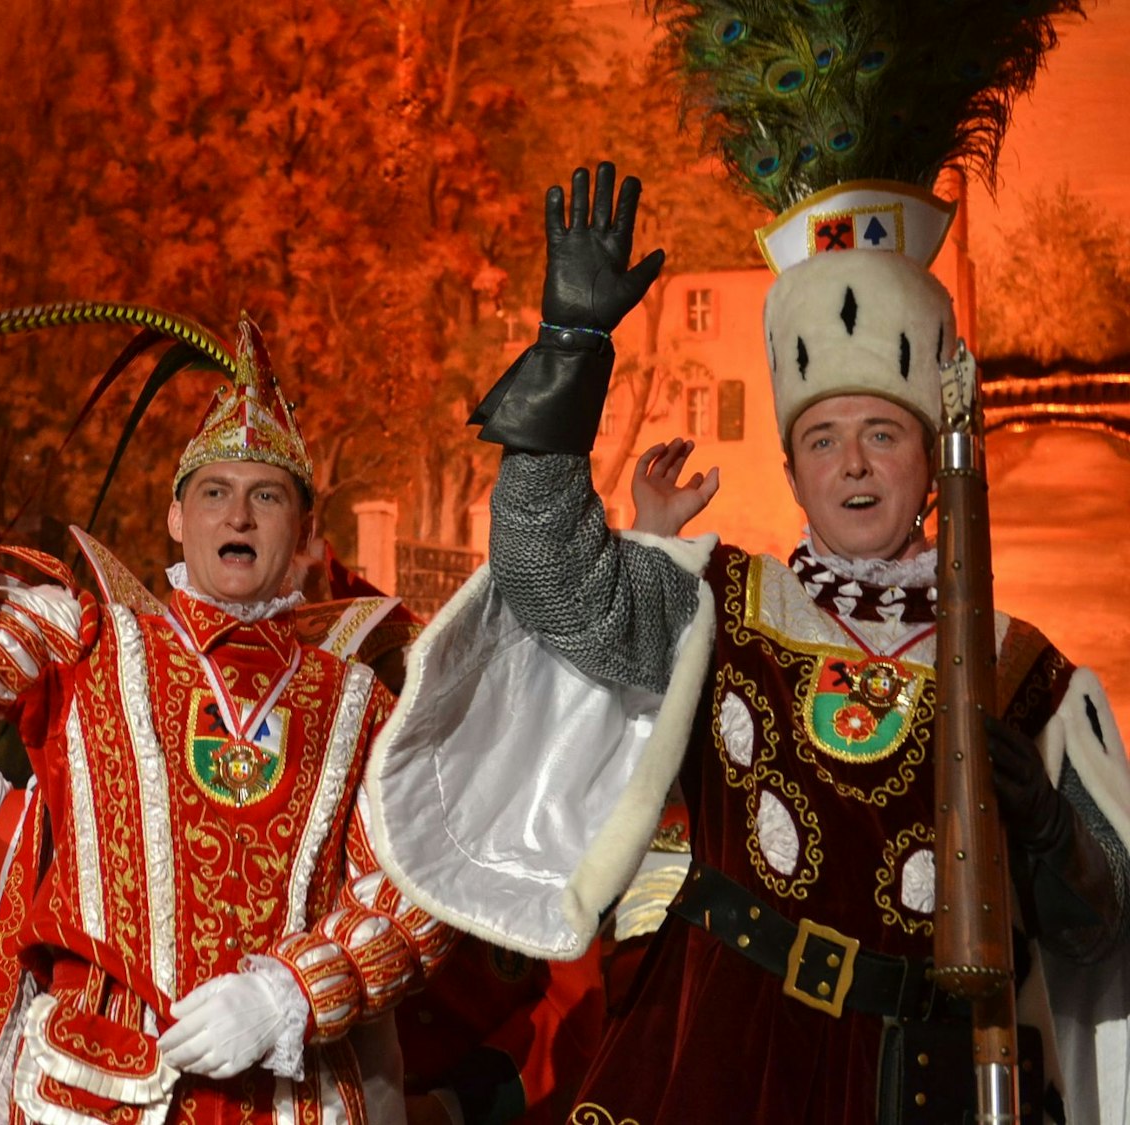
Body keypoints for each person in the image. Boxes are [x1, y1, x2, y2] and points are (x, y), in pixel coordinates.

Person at [366, 163, 1130, 1124]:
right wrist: (570, 347)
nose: (851, 462)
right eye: (823, 439)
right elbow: (547, 575)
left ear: (933, 461)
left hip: (928, 1086)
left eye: (883, 434)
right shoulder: (718, 605)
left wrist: (1056, 841)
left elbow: (1105, 938)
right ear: (792, 470)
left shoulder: (1023, 670)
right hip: (721, 1062)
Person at [0, 250, 456, 1123]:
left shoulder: (358, 703)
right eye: (214, 492)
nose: (237, 515)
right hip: (94, 1089)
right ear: (175, 515)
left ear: (307, 530)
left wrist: (285, 998)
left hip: (285, 1098)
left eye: (266, 497)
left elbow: (412, 900)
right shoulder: (90, 638)